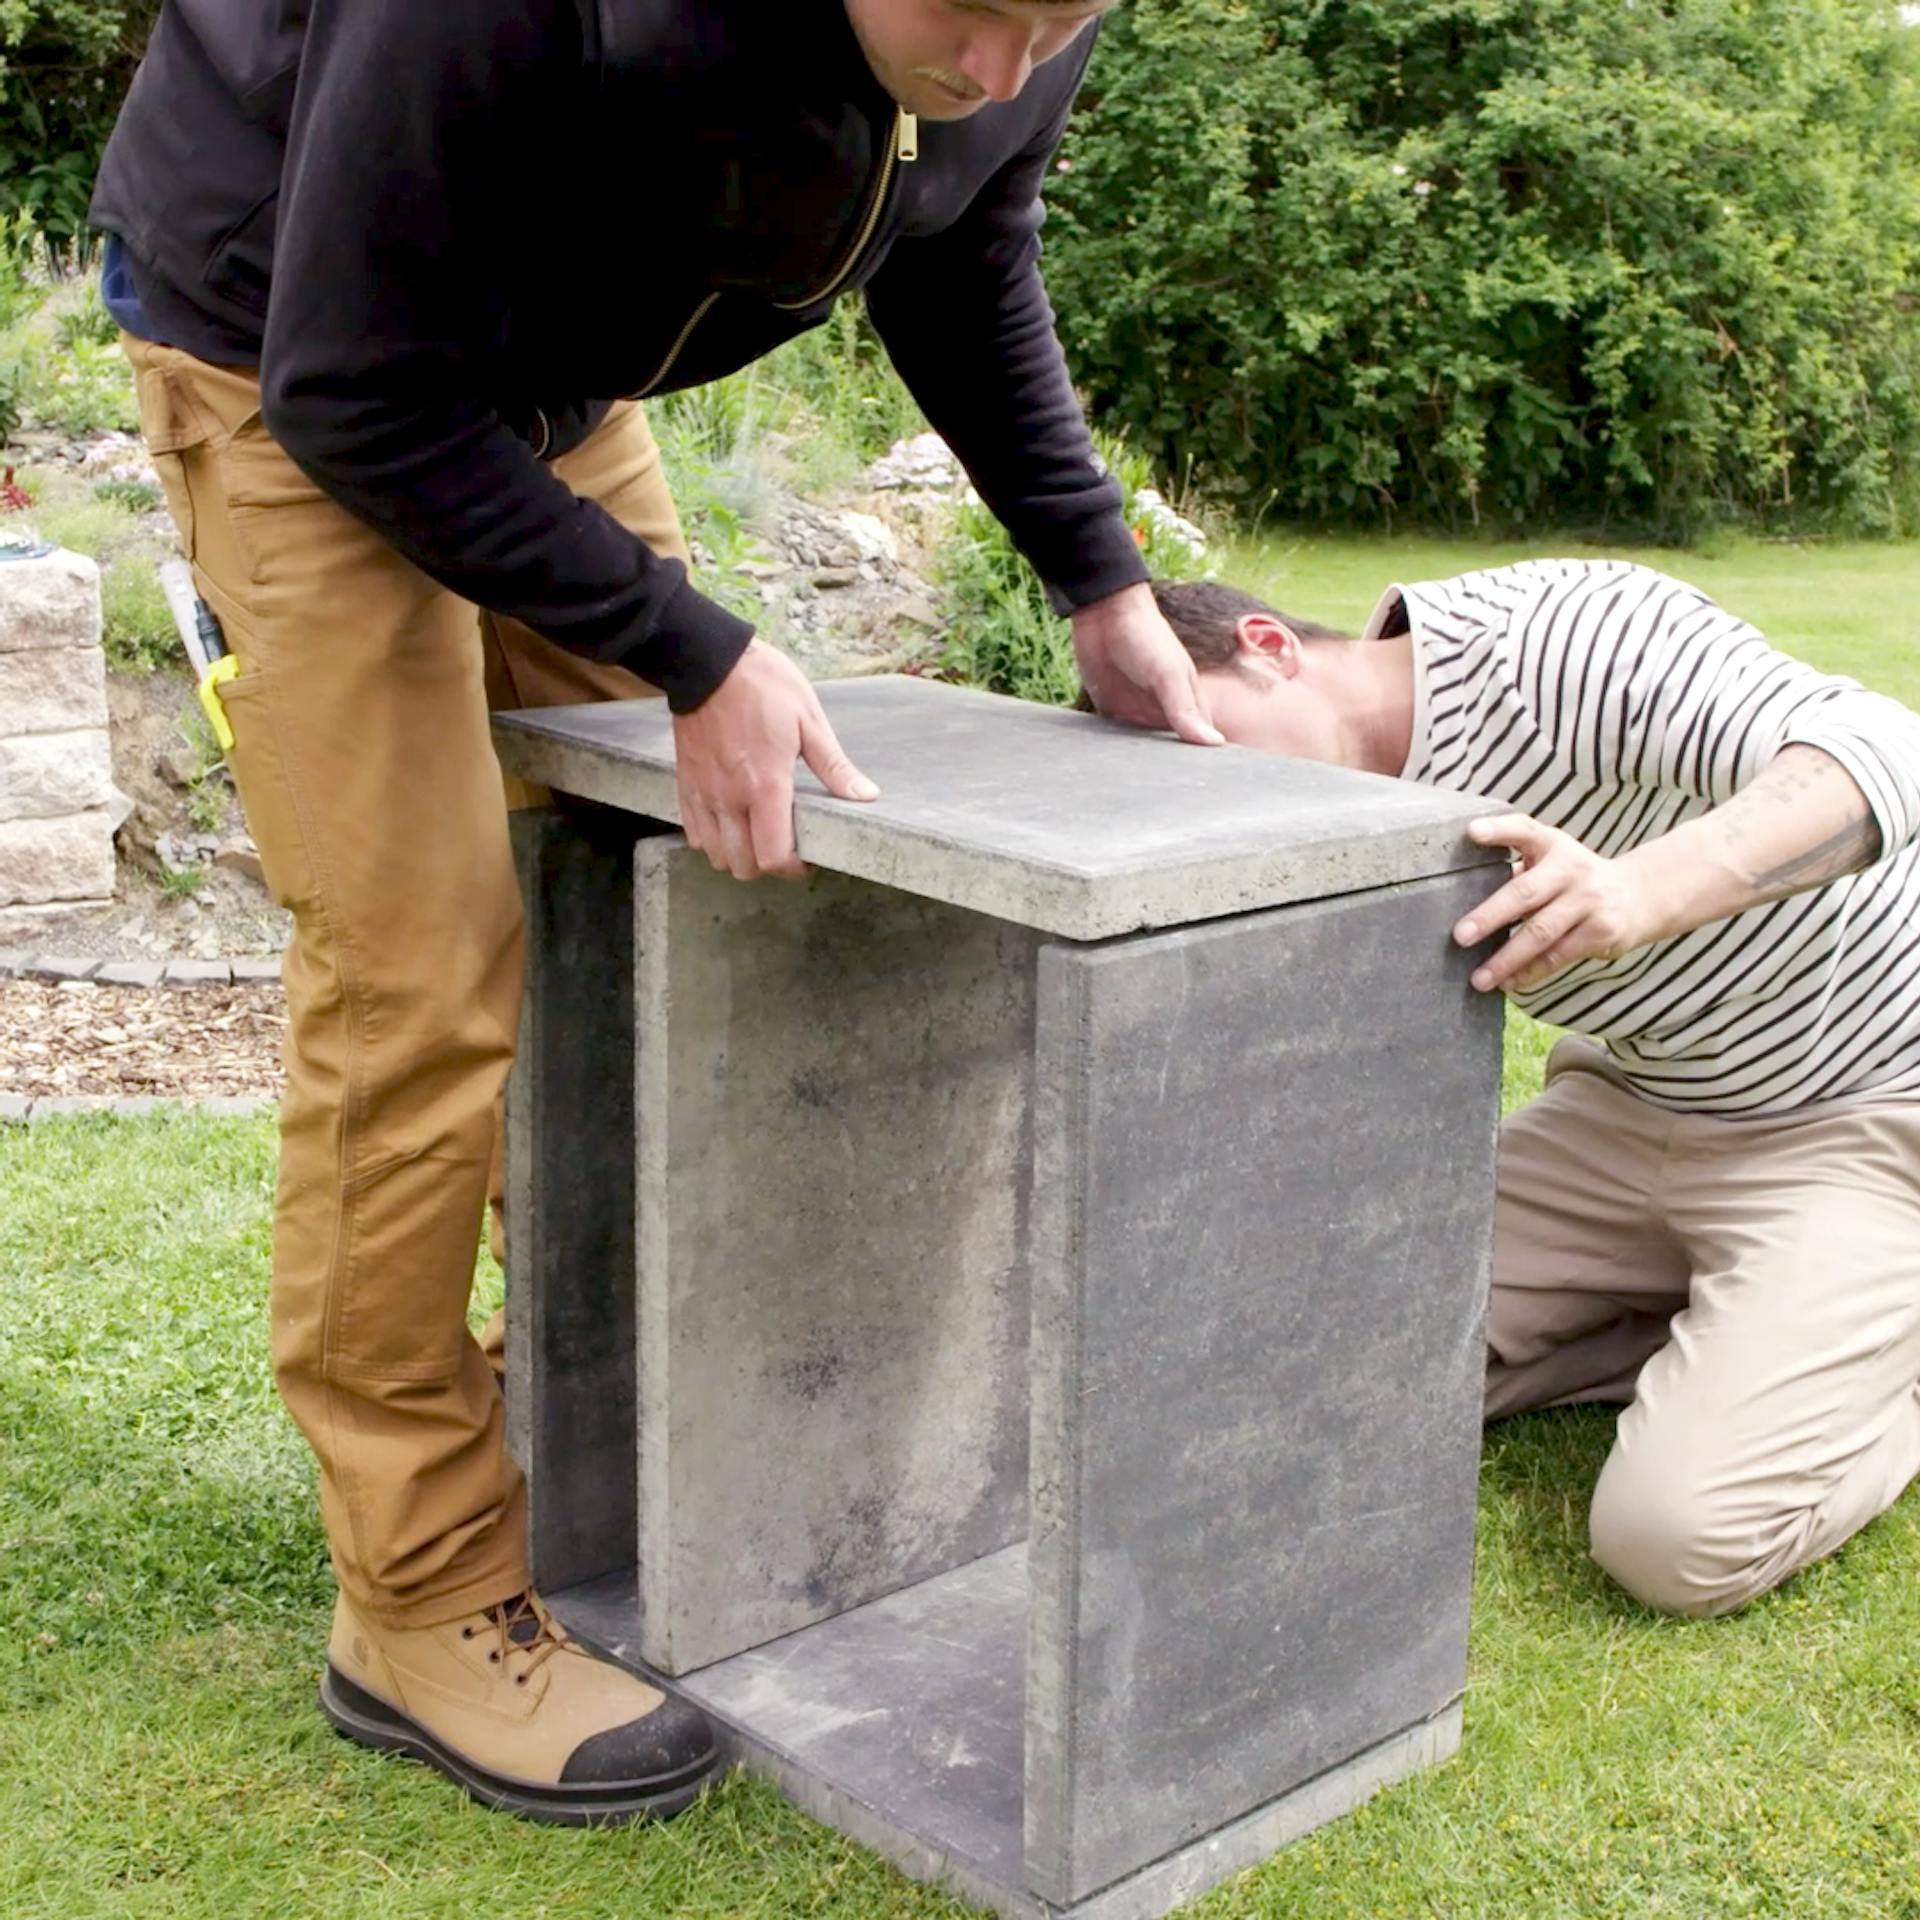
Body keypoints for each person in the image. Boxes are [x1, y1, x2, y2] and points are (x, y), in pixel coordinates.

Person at [87, 0, 1221, 1827]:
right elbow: (353, 382)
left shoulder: (1010, 40)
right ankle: (419, 1595)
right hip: (290, 346)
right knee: (418, 970)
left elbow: (966, 249)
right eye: (978, 10)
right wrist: (691, 647)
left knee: (656, 905)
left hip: (554, 376)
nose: (1010, 70)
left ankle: (577, 1435)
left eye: (1064, 22)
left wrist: (1099, 577)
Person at [1146, 561, 1920, 1618]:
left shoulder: (1544, 643)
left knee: (1674, 1542)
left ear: (1269, 648)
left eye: (1208, 736)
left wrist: (1638, 888)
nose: (1216, 799)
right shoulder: (1319, 825)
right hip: (1627, 1112)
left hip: (1865, 1117)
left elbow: (1886, 749)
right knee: (1297, 1382)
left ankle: (1868, 1347)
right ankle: (1716, 1331)